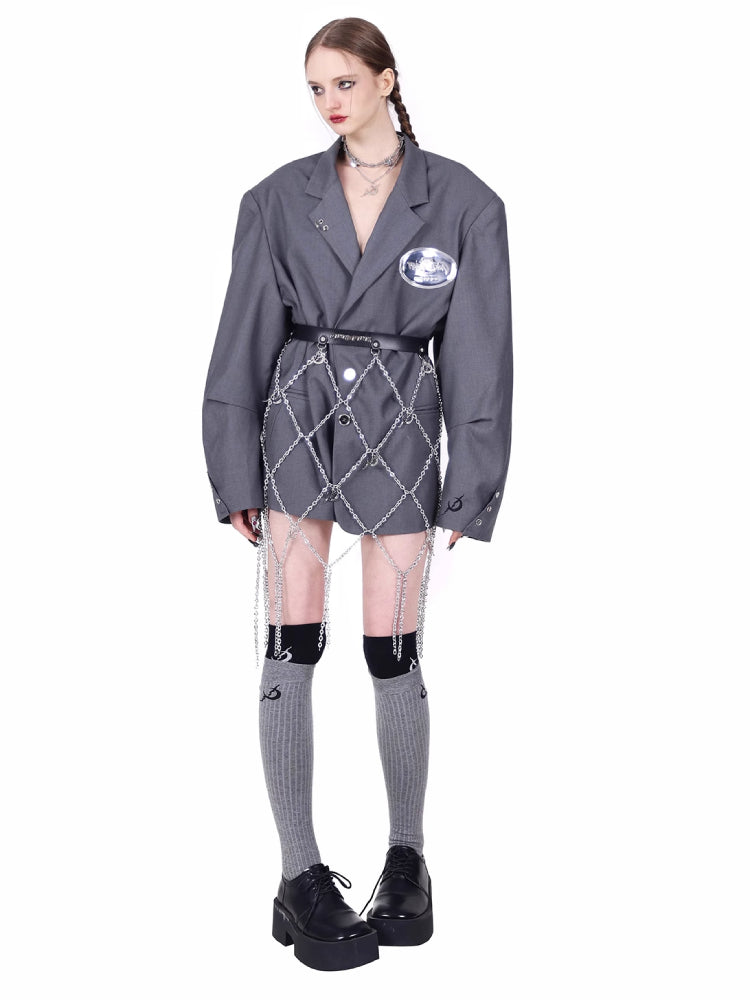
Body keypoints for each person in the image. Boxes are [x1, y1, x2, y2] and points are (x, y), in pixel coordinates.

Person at [202, 17, 513, 971]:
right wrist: (231, 467)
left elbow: (481, 347)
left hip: (403, 419)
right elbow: (242, 331)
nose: (329, 101)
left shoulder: (464, 201)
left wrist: (474, 483)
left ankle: (407, 863)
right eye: (315, 87)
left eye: (345, 81)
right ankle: (298, 875)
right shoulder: (275, 198)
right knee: (290, 640)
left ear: (387, 79)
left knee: (394, 648)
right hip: (296, 415)